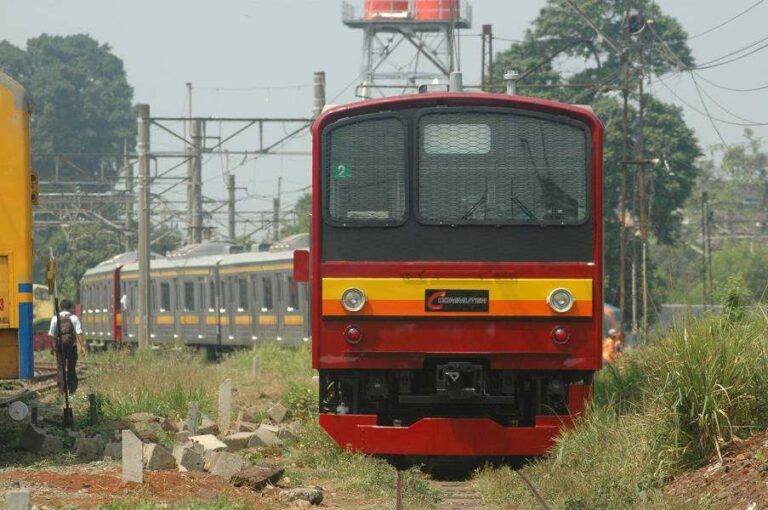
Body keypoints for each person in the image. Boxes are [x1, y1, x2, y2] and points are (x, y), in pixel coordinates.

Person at [48, 299, 85, 394]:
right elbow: (79, 333)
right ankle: (72, 388)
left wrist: (52, 347)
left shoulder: (55, 318)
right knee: (71, 367)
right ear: (70, 308)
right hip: (71, 346)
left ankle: (61, 390)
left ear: (60, 307)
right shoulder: (74, 318)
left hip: (60, 346)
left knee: (60, 368)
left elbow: (51, 334)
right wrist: (82, 347)